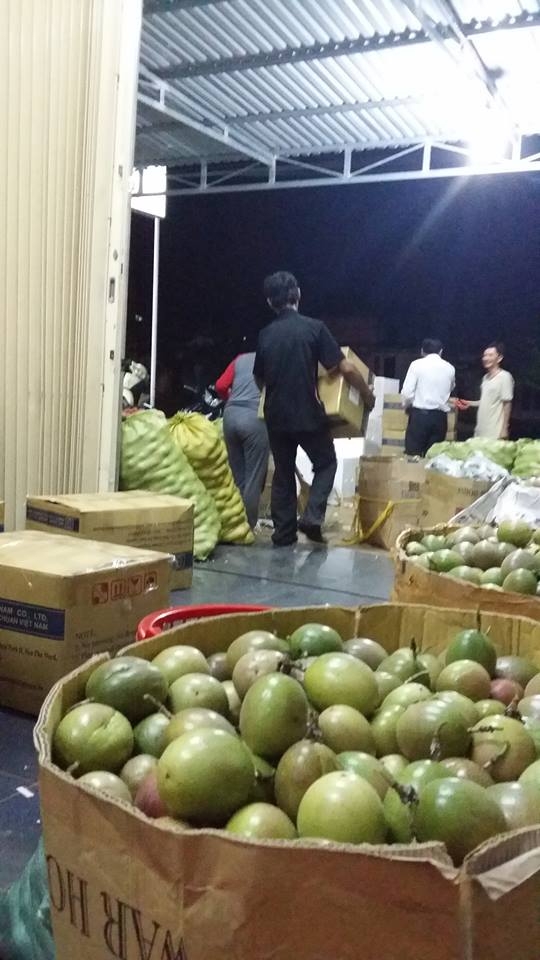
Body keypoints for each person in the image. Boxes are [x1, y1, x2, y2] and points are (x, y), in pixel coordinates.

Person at [254, 271, 374, 547]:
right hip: (307, 413)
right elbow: (345, 368)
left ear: (270, 302)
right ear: (297, 294)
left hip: (276, 416)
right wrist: (367, 396)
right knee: (326, 463)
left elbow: (259, 378)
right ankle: (312, 516)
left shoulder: (265, 334)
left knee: (283, 472)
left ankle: (283, 534)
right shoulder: (314, 328)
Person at [215, 350, 269, 529]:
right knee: (254, 479)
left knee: (238, 478)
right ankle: (247, 528)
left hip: (230, 416)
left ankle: (233, 525)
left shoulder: (240, 359)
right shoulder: (272, 358)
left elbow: (221, 385)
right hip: (254, 417)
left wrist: (232, 399)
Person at [401, 339, 456, 457]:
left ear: (422, 351)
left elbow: (407, 392)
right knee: (433, 457)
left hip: (420, 417)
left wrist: (406, 406)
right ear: (441, 352)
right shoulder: (450, 368)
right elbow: (451, 387)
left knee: (413, 456)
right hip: (440, 419)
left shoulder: (416, 365)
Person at [460, 342, 514, 440]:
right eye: (484, 355)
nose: (485, 358)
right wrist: (470, 403)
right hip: (481, 428)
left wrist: (504, 428)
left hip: (495, 430)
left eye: (490, 355)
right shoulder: (485, 378)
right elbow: (487, 401)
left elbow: (507, 403)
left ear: (499, 358)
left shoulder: (505, 377)